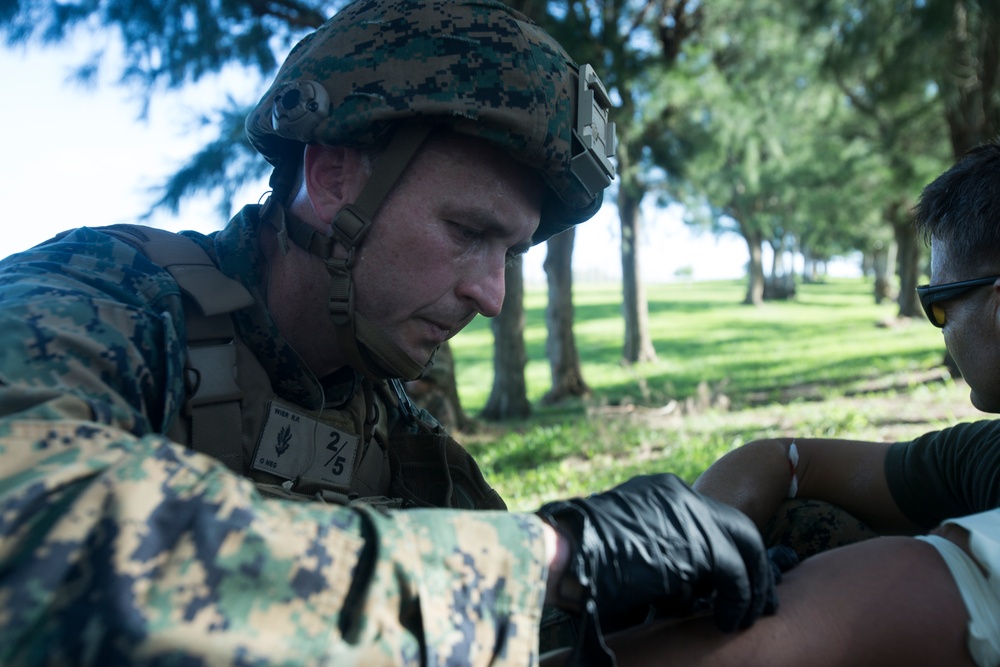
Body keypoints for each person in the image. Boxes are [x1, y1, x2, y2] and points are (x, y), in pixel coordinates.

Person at [0, 0, 778, 664]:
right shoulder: (101, 301)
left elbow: (530, 621)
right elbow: (38, 540)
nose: (492, 293)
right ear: (334, 176)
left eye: (511, 251)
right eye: (468, 230)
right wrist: (558, 554)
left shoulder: (391, 428)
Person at [550, 141, 1000, 666]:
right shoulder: (986, 453)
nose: (940, 333)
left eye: (939, 307)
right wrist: (702, 540)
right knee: (797, 520)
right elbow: (786, 460)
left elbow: (810, 627)